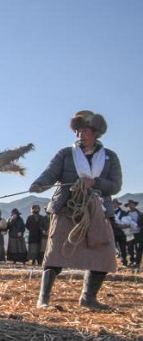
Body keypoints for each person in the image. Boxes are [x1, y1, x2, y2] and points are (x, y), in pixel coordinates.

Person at [29, 110, 122, 310]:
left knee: (103, 253)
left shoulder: (109, 157)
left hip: (96, 211)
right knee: (55, 253)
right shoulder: (65, 154)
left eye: (85, 130)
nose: (80, 134)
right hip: (67, 207)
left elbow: (115, 186)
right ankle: (43, 300)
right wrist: (39, 184)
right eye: (78, 131)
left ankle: (88, 298)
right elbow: (50, 174)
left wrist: (94, 182)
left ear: (95, 133)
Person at [119, 199, 141, 267]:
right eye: (129, 205)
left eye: (132, 204)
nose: (130, 206)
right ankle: (131, 261)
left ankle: (137, 263)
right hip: (129, 233)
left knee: (138, 248)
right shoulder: (125, 214)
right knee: (130, 247)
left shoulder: (140, 214)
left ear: (134, 205)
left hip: (138, 233)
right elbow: (121, 222)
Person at [111, 199, 129, 266]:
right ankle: (112, 263)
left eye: (116, 203)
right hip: (112, 233)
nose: (114, 205)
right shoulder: (109, 213)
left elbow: (128, 222)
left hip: (122, 233)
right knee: (112, 249)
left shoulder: (124, 213)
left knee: (123, 248)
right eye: (113, 203)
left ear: (118, 204)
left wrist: (125, 225)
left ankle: (124, 262)